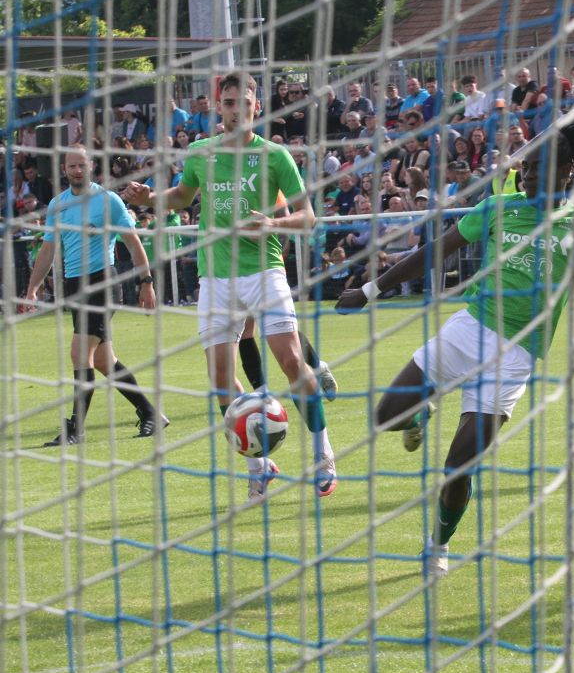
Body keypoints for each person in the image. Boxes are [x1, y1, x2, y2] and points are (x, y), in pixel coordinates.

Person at [335, 122, 574, 577]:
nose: (527, 175)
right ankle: (420, 413)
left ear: (568, 170)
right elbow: (436, 250)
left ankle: (437, 545)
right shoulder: (497, 208)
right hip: (466, 331)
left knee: (458, 467)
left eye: (539, 168)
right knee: (384, 417)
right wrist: (370, 290)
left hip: (514, 356)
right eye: (525, 167)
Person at [123, 71, 337, 503]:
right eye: (228, 103)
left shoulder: (275, 156)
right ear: (219, 107)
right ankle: (259, 467)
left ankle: (323, 453)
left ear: (257, 106)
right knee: (220, 377)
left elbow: (308, 217)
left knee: (291, 360)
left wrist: (272, 223)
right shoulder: (200, 152)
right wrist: (150, 199)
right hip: (215, 277)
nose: (236, 110)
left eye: (244, 102)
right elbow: (183, 197)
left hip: (264, 271)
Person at [19, 145, 168, 445]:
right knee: (102, 360)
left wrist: (146, 281)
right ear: (64, 169)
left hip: (103, 283)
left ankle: (75, 429)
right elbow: (48, 250)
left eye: (82, 165)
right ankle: (150, 413)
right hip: (75, 286)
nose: (77, 170)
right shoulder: (57, 205)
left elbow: (133, 243)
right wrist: (33, 288)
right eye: (71, 166)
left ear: (91, 167)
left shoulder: (108, 200)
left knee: (79, 353)